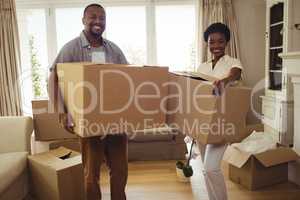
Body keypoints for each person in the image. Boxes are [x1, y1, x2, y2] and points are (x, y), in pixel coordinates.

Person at [48, 4, 128, 200]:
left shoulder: (114, 50)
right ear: (83, 20)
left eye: (102, 18)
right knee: (91, 175)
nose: (98, 21)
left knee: (120, 171)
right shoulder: (71, 48)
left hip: (115, 122)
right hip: (88, 121)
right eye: (93, 17)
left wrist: (131, 116)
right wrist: (61, 111)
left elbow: (129, 79)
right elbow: (53, 78)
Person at [197, 22, 243, 200]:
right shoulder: (202, 67)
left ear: (226, 43)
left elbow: (235, 74)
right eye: (212, 42)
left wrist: (224, 81)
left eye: (220, 42)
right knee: (206, 170)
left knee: (211, 167)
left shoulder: (233, 62)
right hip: (202, 121)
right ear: (207, 44)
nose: (216, 46)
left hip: (222, 121)